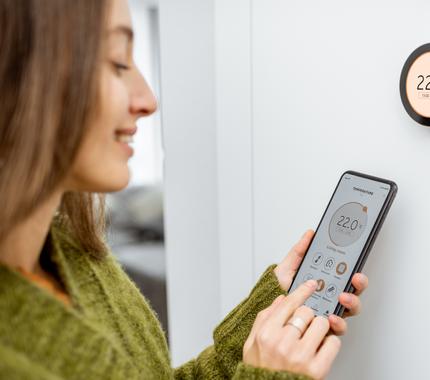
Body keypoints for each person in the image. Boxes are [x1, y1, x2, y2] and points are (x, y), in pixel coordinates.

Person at [0, 0, 369, 379]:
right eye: (117, 63)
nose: (148, 100)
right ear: (19, 76)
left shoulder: (75, 253)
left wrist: (266, 322)